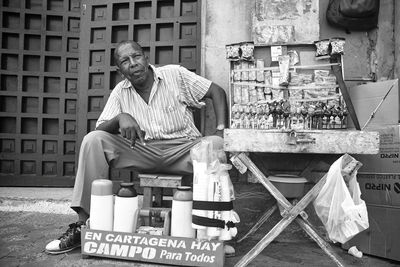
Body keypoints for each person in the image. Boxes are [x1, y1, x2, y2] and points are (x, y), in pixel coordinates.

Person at [45, 40, 228, 254]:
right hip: (144, 151)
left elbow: (216, 91)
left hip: (183, 150)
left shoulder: (175, 75)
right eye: (125, 61)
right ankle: (84, 225)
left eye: (136, 56)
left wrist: (221, 129)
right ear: (120, 70)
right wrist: (121, 117)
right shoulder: (120, 92)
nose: (133, 63)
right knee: (93, 140)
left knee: (215, 144)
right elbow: (102, 127)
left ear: (146, 58)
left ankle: (214, 235)